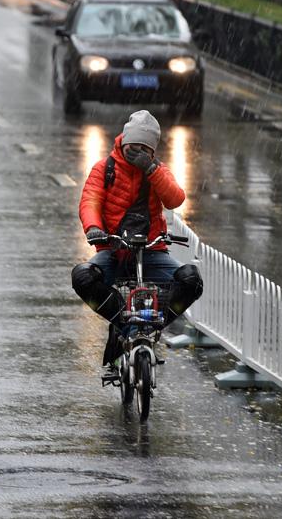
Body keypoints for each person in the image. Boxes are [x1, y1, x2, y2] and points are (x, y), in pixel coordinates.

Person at [71, 110, 203, 377]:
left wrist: (151, 170)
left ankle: (155, 325)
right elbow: (90, 201)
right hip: (114, 251)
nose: (137, 153)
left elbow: (175, 199)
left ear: (152, 150)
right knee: (83, 278)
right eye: (134, 146)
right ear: (124, 141)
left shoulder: (157, 170)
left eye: (145, 149)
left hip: (152, 252)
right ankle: (121, 321)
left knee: (191, 281)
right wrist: (94, 228)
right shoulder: (104, 168)